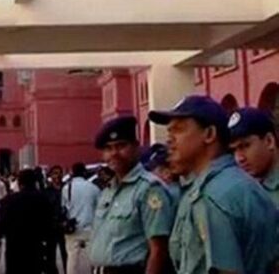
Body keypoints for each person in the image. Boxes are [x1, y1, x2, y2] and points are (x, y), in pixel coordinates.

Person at [150, 95, 277, 274]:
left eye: (178, 129)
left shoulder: (215, 195)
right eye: (169, 132)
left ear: (209, 134)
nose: (169, 140)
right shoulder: (229, 184)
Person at [89, 116, 176, 274]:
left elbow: (158, 250)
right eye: (108, 148)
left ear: (136, 147)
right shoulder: (109, 190)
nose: (114, 153)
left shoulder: (149, 188)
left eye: (121, 146)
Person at [0, 169, 52, 274]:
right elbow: (48, 221)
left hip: (14, 244)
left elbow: (3, 221)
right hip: (35, 244)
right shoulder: (43, 199)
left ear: (19, 182)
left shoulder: (10, 199)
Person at [228, 107, 279, 205]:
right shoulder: (243, 188)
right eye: (233, 150)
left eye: (245, 146)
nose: (239, 158)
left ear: (269, 141)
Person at [62, 162, 100, 274]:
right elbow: (99, 208)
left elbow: (64, 207)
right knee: (92, 258)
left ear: (72, 172)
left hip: (72, 228)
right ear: (85, 172)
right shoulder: (93, 188)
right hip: (90, 227)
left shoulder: (66, 188)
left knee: (72, 258)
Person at [43, 165, 67, 274]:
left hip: (64, 224)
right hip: (51, 226)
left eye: (59, 173)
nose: (57, 176)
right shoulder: (46, 191)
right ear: (51, 176)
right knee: (50, 253)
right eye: (55, 173)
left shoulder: (67, 188)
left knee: (66, 252)